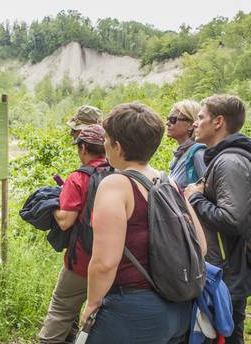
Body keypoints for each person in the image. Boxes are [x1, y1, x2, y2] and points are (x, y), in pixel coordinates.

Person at [80, 102, 207, 343]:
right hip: (178, 307)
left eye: (107, 139)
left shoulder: (116, 185)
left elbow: (105, 262)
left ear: (117, 146)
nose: (105, 144)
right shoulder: (168, 182)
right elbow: (200, 245)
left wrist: (92, 304)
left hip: (131, 313)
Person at [185, 94, 251, 344]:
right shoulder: (226, 158)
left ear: (218, 122)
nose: (195, 123)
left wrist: (195, 198)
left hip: (226, 273)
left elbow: (233, 219)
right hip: (226, 268)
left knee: (225, 335)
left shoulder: (230, 162)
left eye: (201, 117)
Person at [38, 125, 108, 344]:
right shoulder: (118, 174)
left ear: (84, 147)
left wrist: (52, 206)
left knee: (61, 307)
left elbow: (66, 221)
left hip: (81, 260)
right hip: (112, 260)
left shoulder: (78, 178)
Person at [167, 100, 206, 189]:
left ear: (191, 125)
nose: (167, 123)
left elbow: (209, 192)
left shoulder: (198, 153)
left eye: (173, 119)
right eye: (168, 119)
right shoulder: (182, 152)